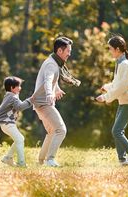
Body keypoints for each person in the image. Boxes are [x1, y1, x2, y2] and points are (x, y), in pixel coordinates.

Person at [32, 36, 81, 167]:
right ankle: (50, 159)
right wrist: (49, 93)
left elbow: (51, 79)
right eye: (68, 51)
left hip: (40, 103)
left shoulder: (53, 62)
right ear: (60, 51)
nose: (69, 54)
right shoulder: (51, 65)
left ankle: (42, 160)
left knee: (52, 132)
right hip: (44, 103)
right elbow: (48, 80)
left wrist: (57, 89)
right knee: (61, 130)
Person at [95, 35, 128, 165]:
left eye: (110, 48)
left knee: (116, 131)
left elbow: (121, 87)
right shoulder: (121, 63)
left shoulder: (124, 64)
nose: (109, 51)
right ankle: (122, 159)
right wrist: (106, 87)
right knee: (118, 131)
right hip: (124, 102)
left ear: (117, 49)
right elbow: (117, 83)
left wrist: (105, 97)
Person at [0, 76, 33, 167]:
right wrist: (30, 100)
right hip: (8, 124)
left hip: (7, 124)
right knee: (19, 139)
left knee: (20, 139)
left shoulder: (10, 95)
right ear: (12, 88)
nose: (20, 88)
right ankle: (21, 163)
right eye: (18, 86)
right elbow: (20, 107)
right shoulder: (12, 97)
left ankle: (8, 158)